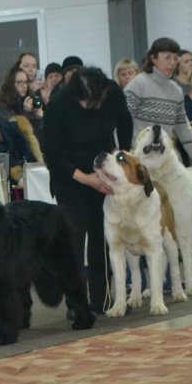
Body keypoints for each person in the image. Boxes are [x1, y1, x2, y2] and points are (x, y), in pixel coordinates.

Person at [43, 66, 133, 314]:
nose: (96, 106)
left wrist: (121, 155)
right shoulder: (59, 104)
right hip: (70, 174)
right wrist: (85, 178)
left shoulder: (112, 92)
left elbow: (125, 122)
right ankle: (76, 303)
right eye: (89, 103)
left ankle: (101, 300)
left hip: (102, 165)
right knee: (73, 239)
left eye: (100, 101)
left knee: (102, 236)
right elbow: (52, 155)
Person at [125, 37, 192, 187]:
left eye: (175, 58)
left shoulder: (176, 91)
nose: (172, 63)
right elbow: (123, 122)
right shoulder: (137, 85)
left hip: (166, 161)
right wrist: (127, 152)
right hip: (140, 161)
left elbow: (184, 128)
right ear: (153, 58)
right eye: (167, 58)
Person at [0, 65, 44, 161]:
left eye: (25, 82)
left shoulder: (30, 99)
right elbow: (16, 131)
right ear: (11, 84)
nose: (24, 86)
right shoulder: (2, 105)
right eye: (19, 82)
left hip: (33, 153)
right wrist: (26, 112)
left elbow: (37, 135)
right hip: (15, 155)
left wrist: (39, 118)